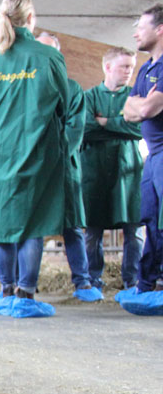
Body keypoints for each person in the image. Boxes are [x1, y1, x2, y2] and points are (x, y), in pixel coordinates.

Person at [0, 0, 68, 318]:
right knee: (33, 223)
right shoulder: (47, 56)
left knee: (3, 224)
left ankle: (5, 290)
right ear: (31, 19)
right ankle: (26, 293)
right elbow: (66, 104)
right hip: (36, 150)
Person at [36, 32, 103, 302]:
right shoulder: (27, 87)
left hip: (64, 168)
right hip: (34, 169)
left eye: (50, 51)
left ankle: (82, 282)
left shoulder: (73, 89)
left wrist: (50, 154)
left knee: (72, 226)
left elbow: (75, 129)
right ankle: (25, 282)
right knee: (32, 229)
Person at [82, 46, 144, 290]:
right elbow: (86, 130)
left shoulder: (136, 96)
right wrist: (122, 125)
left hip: (128, 173)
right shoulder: (89, 97)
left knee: (134, 230)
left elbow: (140, 129)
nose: (130, 71)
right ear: (107, 67)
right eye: (124, 66)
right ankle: (92, 282)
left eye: (131, 66)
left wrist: (106, 121)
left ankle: (133, 281)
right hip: (94, 172)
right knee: (92, 232)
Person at [120, 3, 163, 314]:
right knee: (149, 219)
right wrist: (139, 103)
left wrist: (140, 104)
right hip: (154, 155)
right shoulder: (147, 68)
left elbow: (145, 110)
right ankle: (146, 284)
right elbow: (127, 111)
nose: (136, 31)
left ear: (160, 29)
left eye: (141, 25)